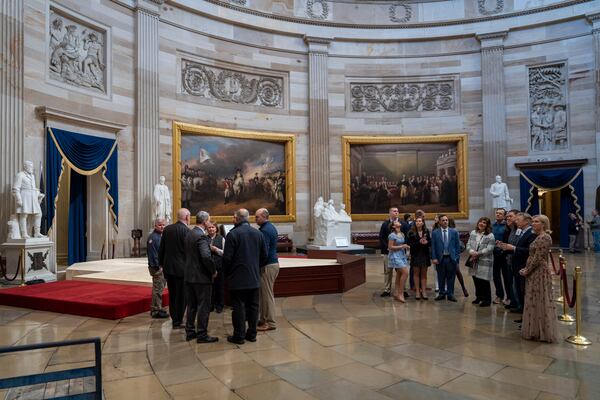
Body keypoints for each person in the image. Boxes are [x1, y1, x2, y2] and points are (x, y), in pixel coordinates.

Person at [223, 209, 268, 344]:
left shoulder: (233, 234)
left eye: (233, 217)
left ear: (237, 218)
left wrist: (227, 274)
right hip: (254, 277)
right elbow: (264, 257)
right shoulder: (258, 233)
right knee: (253, 306)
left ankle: (239, 336)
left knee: (238, 306)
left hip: (237, 278)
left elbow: (227, 259)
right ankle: (252, 334)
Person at [519, 215, 559, 342]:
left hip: (539, 272)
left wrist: (527, 270)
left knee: (540, 298)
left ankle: (542, 330)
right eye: (533, 222)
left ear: (543, 224)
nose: (533, 224)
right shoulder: (539, 237)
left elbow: (538, 258)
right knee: (533, 299)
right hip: (534, 271)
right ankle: (534, 329)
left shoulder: (545, 237)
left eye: (536, 222)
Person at [183, 211, 218, 343]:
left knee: (191, 305)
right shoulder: (201, 236)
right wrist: (213, 270)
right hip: (201, 277)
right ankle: (202, 334)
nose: (209, 223)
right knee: (203, 306)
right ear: (205, 222)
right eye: (209, 220)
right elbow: (205, 256)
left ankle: (190, 331)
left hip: (189, 275)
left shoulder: (189, 233)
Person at [498, 212, 537, 316]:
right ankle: (521, 308)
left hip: (523, 264)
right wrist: (507, 247)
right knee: (518, 288)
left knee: (523, 289)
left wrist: (513, 248)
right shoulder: (521, 231)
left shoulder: (531, 233)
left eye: (518, 220)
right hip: (516, 264)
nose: (516, 221)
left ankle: (524, 311)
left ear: (527, 221)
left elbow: (529, 250)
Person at [158, 208, 190, 329]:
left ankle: (174, 318)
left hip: (169, 268)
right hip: (181, 269)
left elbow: (162, 248)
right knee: (182, 296)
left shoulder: (167, 229)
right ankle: (178, 321)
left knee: (173, 294)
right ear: (186, 217)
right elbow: (188, 251)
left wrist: (161, 263)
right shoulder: (186, 231)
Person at [255, 208, 280, 332]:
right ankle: (263, 319)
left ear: (264, 217)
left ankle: (271, 322)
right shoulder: (269, 227)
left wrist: (258, 264)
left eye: (257, 217)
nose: (255, 219)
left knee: (267, 295)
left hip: (268, 265)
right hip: (271, 264)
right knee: (264, 294)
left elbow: (263, 251)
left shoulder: (265, 230)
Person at [466, 217, 496, 307]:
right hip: (474, 260)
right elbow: (468, 244)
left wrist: (478, 253)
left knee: (483, 280)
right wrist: (471, 251)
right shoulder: (473, 233)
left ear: (487, 225)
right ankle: (478, 297)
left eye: (484, 223)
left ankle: (486, 299)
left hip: (484, 260)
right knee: (476, 279)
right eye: (480, 222)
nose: (481, 224)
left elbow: (490, 249)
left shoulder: (490, 235)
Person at [431, 215, 461, 302]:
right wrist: (434, 258)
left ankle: (450, 293)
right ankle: (441, 293)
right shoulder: (435, 232)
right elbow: (433, 247)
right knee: (441, 276)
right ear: (439, 222)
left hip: (451, 258)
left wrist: (456, 258)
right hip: (440, 258)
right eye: (443, 220)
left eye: (446, 220)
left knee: (451, 277)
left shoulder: (454, 232)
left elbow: (457, 246)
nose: (445, 222)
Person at [12, 161, 45, 238]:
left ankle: (37, 232)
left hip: (33, 198)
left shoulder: (32, 176)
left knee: (38, 214)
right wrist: (18, 199)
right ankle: (24, 234)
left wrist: (39, 194)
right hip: (25, 197)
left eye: (32, 166)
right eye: (30, 166)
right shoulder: (20, 175)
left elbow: (33, 188)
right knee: (24, 215)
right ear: (25, 166)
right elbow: (15, 188)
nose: (31, 168)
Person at [147, 218, 168, 319]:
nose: (162, 227)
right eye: (160, 225)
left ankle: (158, 307)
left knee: (160, 288)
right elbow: (153, 255)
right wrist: (158, 267)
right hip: (157, 268)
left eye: (163, 225)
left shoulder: (161, 236)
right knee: (157, 289)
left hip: (162, 267)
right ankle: (155, 310)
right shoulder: (153, 237)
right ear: (155, 225)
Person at [407, 217, 431, 300]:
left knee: (424, 274)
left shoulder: (426, 231)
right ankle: (417, 291)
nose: (418, 222)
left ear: (423, 223)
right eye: (416, 221)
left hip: (424, 254)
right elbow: (410, 244)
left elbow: (430, 243)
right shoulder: (411, 232)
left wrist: (427, 242)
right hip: (415, 255)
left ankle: (424, 291)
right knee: (416, 274)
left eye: (420, 221)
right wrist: (419, 242)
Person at [387, 221, 410, 302]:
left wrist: (406, 247)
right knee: (405, 273)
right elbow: (390, 247)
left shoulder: (402, 234)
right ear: (393, 226)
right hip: (395, 256)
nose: (398, 222)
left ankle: (396, 293)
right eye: (396, 222)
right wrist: (402, 246)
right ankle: (401, 293)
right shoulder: (392, 235)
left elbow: (402, 245)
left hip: (401, 255)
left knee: (399, 274)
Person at [379, 207, 399, 297]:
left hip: (399, 252)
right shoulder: (385, 224)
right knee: (388, 271)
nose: (396, 212)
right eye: (394, 211)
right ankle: (387, 289)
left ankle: (402, 289)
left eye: (397, 211)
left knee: (400, 271)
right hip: (388, 252)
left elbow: (405, 236)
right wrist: (387, 247)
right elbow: (381, 237)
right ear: (390, 213)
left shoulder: (402, 223)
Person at [491, 209, 508, 304]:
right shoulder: (492, 225)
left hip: (504, 253)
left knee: (506, 276)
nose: (498, 215)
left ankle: (509, 296)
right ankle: (499, 295)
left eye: (500, 213)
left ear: (504, 216)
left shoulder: (507, 226)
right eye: (497, 213)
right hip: (494, 253)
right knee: (495, 275)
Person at [208, 223, 225, 313]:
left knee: (219, 287)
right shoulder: (205, 238)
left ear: (216, 229)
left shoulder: (221, 238)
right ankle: (210, 304)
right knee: (210, 287)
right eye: (209, 227)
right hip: (208, 268)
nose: (211, 229)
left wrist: (216, 250)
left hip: (219, 266)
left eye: (213, 227)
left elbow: (225, 253)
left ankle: (219, 305)